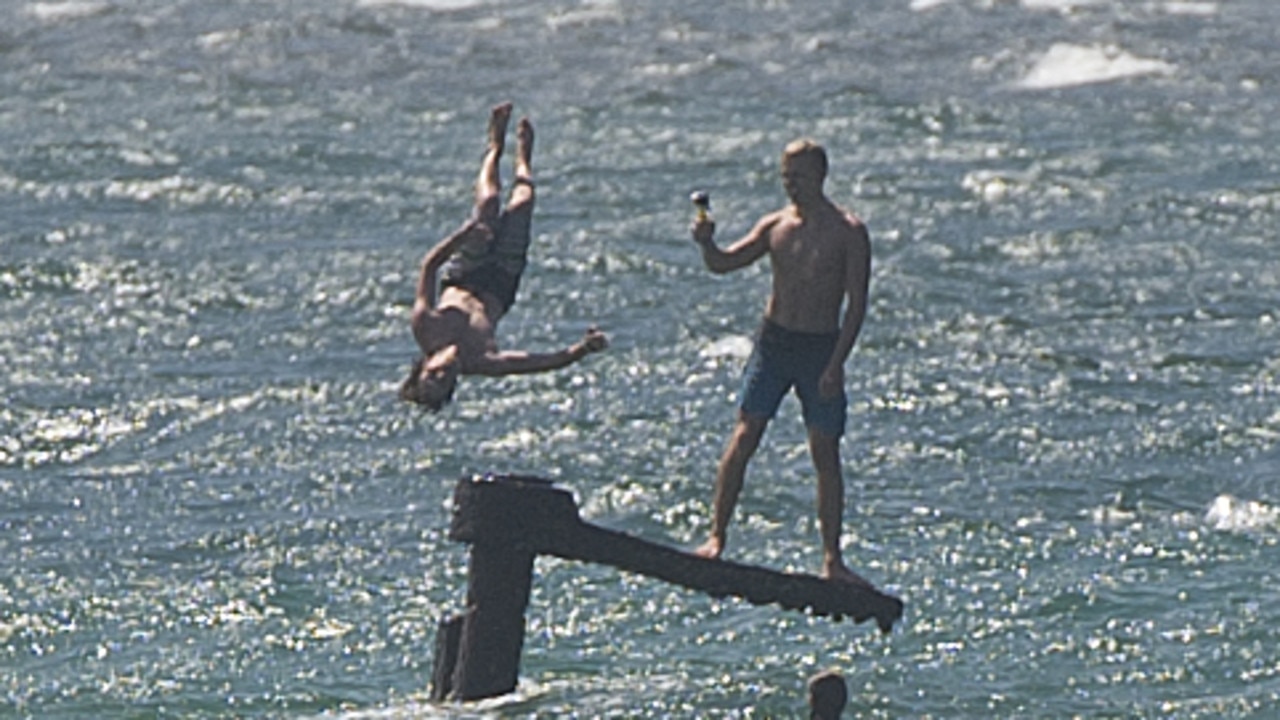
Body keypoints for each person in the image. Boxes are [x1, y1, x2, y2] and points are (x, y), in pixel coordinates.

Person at [690, 139, 872, 587]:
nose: (792, 185)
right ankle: (716, 537)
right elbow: (723, 265)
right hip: (774, 344)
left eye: (800, 176)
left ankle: (832, 558)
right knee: (745, 434)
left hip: (819, 350)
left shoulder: (848, 231)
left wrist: (836, 363)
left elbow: (858, 306)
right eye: (786, 176)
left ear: (822, 176)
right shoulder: (776, 226)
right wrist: (706, 244)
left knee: (824, 450)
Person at [400, 103, 608, 411]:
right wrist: (581, 350)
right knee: (523, 201)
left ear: (423, 366)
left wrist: (464, 235)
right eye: (444, 382)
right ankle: (524, 159)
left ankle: (495, 147)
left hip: (464, 272)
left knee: (489, 203)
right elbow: (537, 363)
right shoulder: (482, 360)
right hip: (501, 281)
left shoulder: (425, 326)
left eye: (433, 375)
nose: (444, 373)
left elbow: (429, 266)